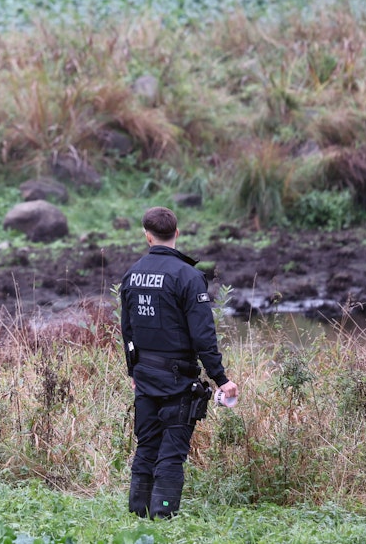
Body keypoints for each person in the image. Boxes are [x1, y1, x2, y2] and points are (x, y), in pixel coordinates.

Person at [120, 206, 239, 518]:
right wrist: (221, 379)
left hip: (145, 376)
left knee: (146, 446)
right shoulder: (187, 276)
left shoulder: (132, 274)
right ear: (178, 233)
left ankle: (138, 515)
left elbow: (127, 329)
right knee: (171, 453)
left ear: (147, 236)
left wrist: (133, 369)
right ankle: (163, 516)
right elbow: (203, 335)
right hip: (178, 380)